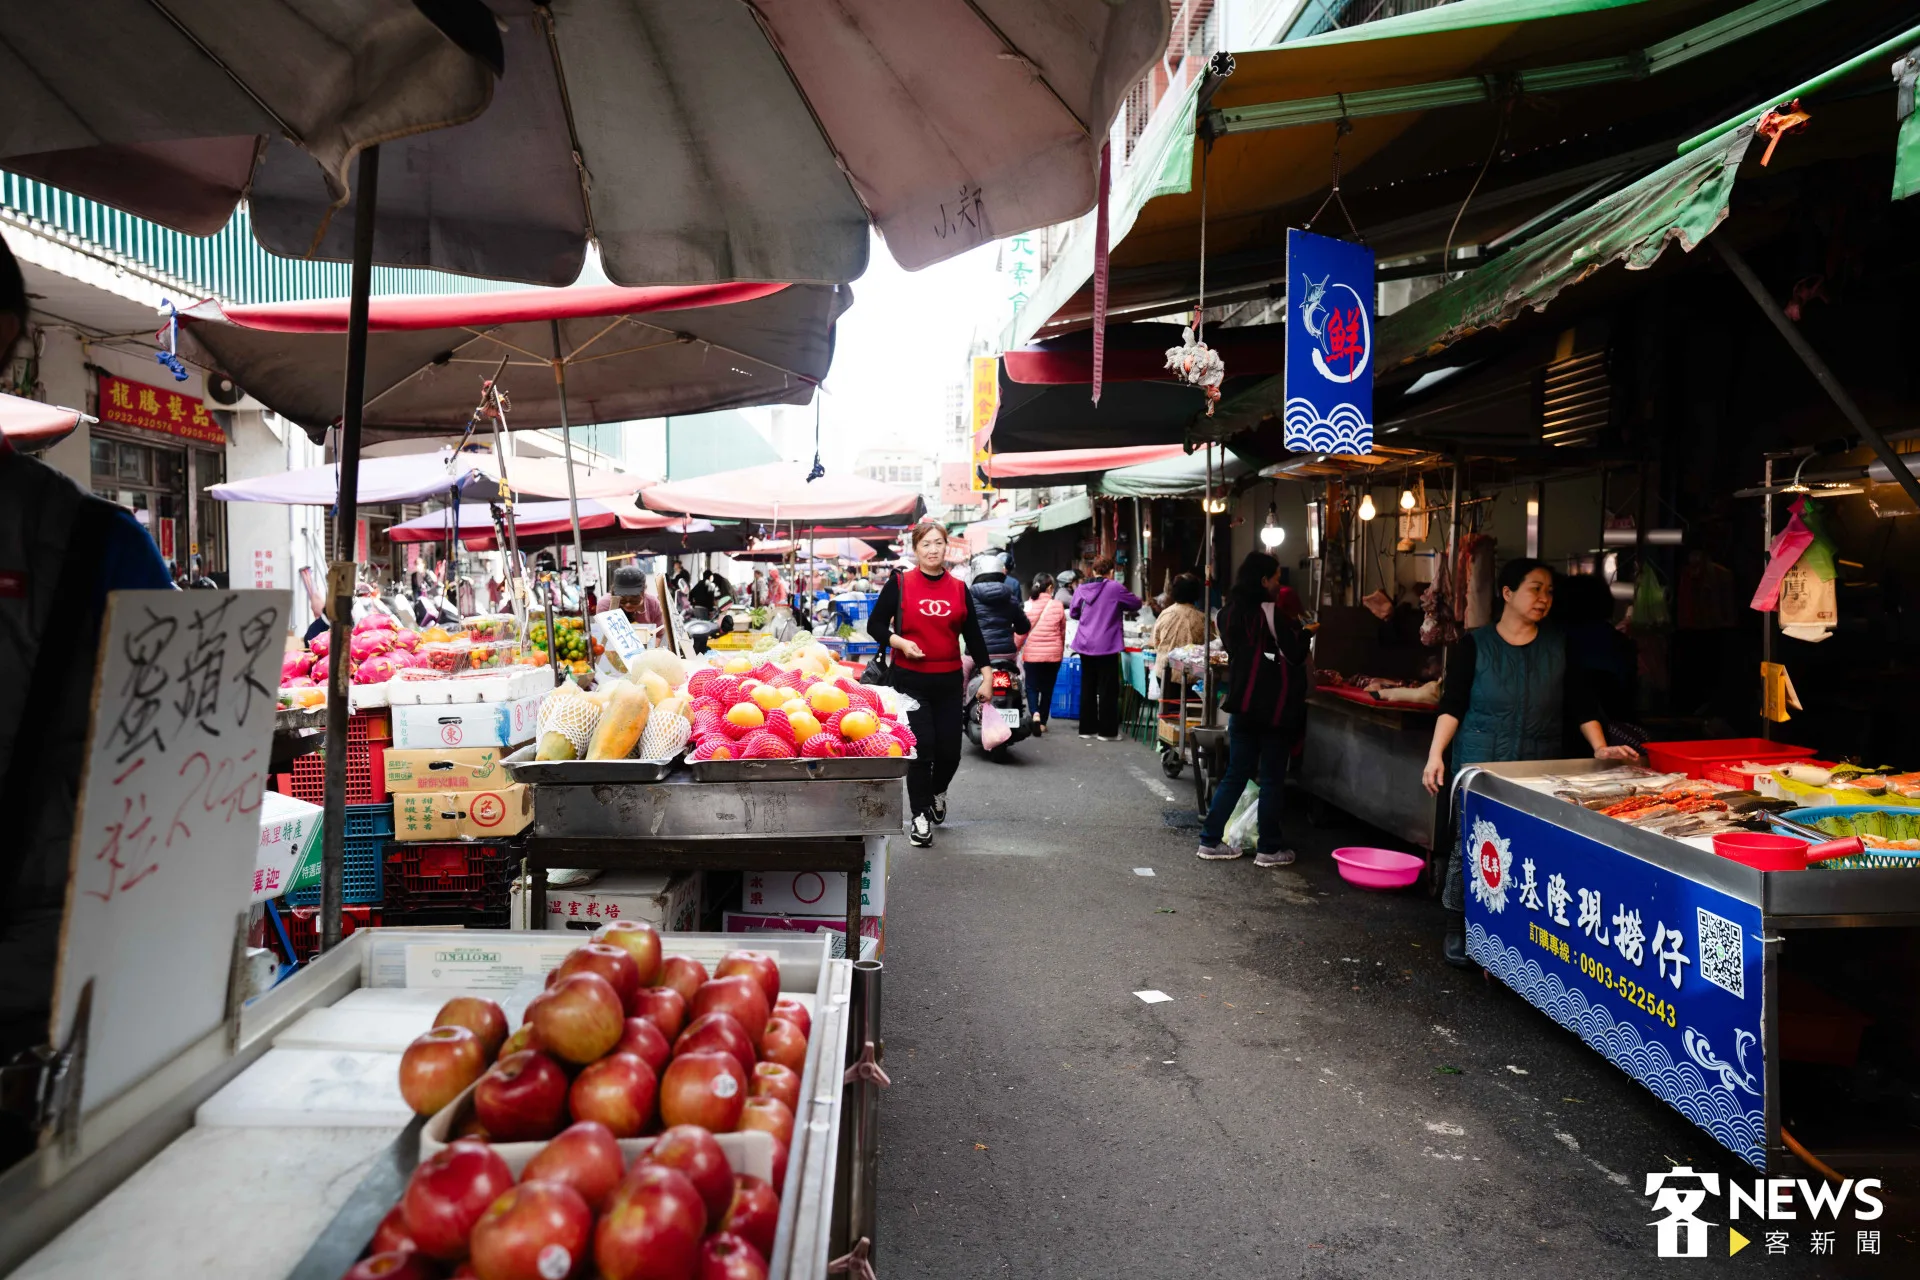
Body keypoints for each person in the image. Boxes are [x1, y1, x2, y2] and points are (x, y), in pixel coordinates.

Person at [0, 239, 175, 1158]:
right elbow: (190, 754)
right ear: (11, 337)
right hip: (40, 999)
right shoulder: (89, 544)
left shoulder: (84, 544)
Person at [1423, 558, 1641, 966]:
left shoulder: (1560, 645)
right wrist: (1436, 754)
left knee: (1526, 849)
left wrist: (1598, 747)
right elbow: (1452, 706)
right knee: (1468, 846)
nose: (1544, 599)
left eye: (1549, 592)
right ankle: (1458, 925)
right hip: (1480, 765)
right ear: (1508, 593)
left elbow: (1580, 702)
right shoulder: (1474, 645)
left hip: (1537, 766)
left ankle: (1514, 930)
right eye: (1535, 589)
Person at [869, 520, 991, 848]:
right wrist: (899, 642)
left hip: (950, 680)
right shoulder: (900, 583)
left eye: (938, 543)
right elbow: (875, 624)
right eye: (926, 544)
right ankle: (920, 817)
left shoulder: (958, 587)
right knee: (922, 750)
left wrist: (988, 675)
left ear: (945, 546)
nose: (933, 549)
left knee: (950, 752)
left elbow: (974, 636)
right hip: (910, 681)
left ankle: (938, 792)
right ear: (916, 549)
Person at [1195, 551, 1311, 866]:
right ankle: (1269, 848)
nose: (1278, 583)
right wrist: (1308, 633)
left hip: (1241, 704)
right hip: (1273, 708)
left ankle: (1209, 840)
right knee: (1272, 777)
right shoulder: (1271, 614)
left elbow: (1236, 651)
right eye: (1275, 577)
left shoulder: (1226, 614)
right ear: (1263, 580)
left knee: (1236, 773)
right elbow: (1295, 654)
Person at [1069, 555, 1140, 741]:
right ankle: (1107, 732)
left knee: (1088, 686)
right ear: (1110, 572)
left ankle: (1086, 729)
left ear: (1093, 571)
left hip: (1085, 643)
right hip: (1107, 645)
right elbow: (1136, 603)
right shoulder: (1114, 587)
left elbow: (1074, 612)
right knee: (1108, 688)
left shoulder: (1081, 588)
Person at [1021, 573, 1067, 735]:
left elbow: (1021, 632)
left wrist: (1014, 649)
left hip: (1032, 655)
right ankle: (1043, 723)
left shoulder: (1027, 605)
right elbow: (1062, 633)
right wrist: (1060, 652)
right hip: (1052, 655)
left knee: (1031, 687)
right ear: (1049, 588)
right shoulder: (1058, 605)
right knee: (1047, 689)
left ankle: (1035, 714)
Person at [967, 552, 1030, 660]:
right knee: (1020, 674)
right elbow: (1024, 627)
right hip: (1007, 654)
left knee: (962, 674)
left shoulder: (969, 597)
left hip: (976, 653)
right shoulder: (1011, 597)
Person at [1150, 573, 1208, 682]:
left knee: (1166, 699)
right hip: (1192, 677)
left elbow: (1155, 643)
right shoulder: (1202, 618)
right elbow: (1210, 648)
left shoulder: (1164, 614)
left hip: (1163, 673)